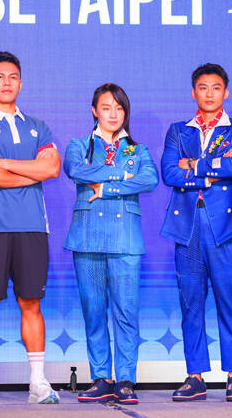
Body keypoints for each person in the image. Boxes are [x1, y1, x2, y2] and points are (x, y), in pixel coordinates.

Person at [0, 51, 62, 405]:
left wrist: (3, 162)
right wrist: (28, 170)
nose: (6, 82)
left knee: (31, 302)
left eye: (13, 76)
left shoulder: (39, 125)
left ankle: (38, 381)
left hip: (33, 226)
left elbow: (51, 169)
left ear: (21, 82)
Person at [160, 63, 232, 402]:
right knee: (191, 303)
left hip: (224, 226)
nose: (209, 93)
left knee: (230, 301)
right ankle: (195, 375)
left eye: (216, 87)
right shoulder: (177, 130)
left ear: (225, 92)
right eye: (203, 87)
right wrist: (209, 172)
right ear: (193, 92)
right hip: (187, 226)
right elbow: (169, 172)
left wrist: (193, 165)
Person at [63, 83, 159, 405]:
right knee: (93, 310)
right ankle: (102, 377)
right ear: (95, 110)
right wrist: (120, 177)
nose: (113, 114)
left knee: (126, 312)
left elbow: (149, 180)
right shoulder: (78, 145)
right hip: (88, 236)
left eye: (119, 108)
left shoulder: (138, 150)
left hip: (125, 239)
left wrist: (105, 188)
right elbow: (76, 171)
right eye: (107, 108)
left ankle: (127, 380)